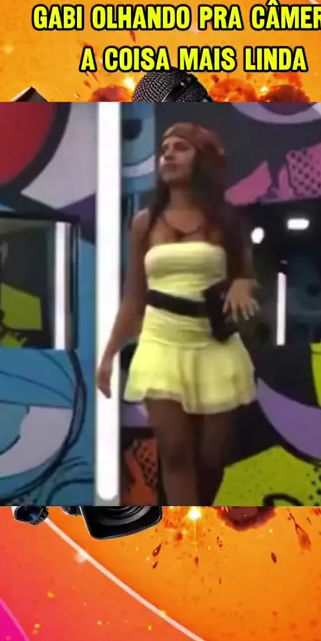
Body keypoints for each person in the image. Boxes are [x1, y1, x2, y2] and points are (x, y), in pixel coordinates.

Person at [97, 122, 258, 505]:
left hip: (212, 344)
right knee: (174, 451)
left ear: (201, 160)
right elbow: (133, 298)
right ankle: (185, 525)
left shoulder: (224, 221)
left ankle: (205, 511)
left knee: (213, 455)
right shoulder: (144, 223)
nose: (168, 154)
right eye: (164, 148)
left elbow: (249, 277)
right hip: (161, 342)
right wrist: (108, 356)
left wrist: (242, 284)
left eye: (180, 147)